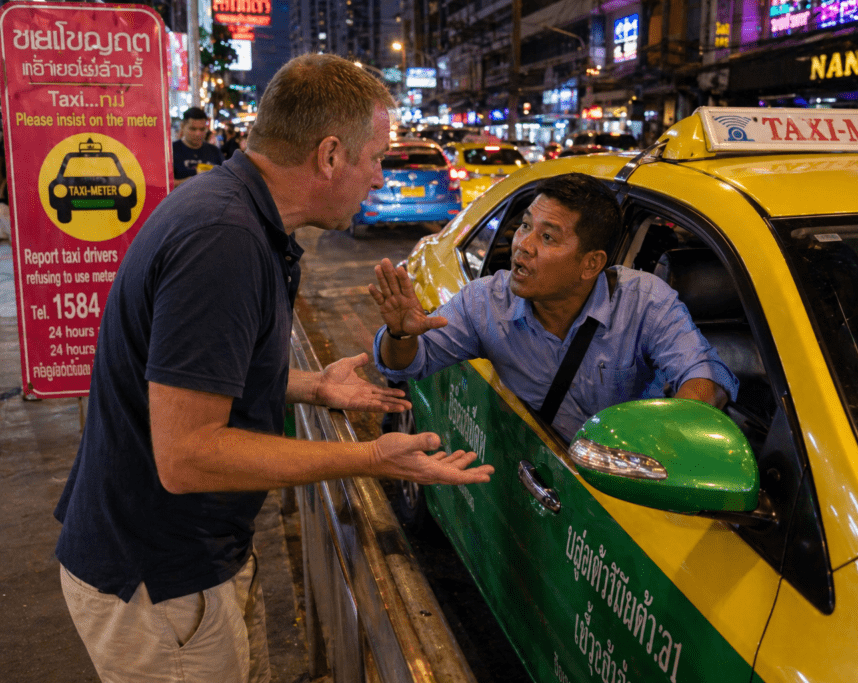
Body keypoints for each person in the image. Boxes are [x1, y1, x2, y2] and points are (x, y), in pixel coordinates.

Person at [54, 53, 493, 683]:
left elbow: (191, 378)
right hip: (158, 579)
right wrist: (373, 460)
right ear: (331, 155)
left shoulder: (236, 216)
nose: (377, 177)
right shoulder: (222, 240)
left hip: (189, 563)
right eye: (376, 158)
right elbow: (187, 455)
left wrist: (315, 386)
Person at [370, 172, 738, 442]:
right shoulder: (486, 303)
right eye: (525, 226)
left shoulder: (645, 300)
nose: (523, 245)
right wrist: (400, 333)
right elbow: (407, 364)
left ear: (591, 264)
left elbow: (705, 373)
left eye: (547, 237)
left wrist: (668, 442)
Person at [172, 106, 224, 188]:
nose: (198, 133)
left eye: (202, 129)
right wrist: (190, 181)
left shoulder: (215, 151)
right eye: (193, 129)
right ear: (182, 126)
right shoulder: (171, 151)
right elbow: (163, 184)